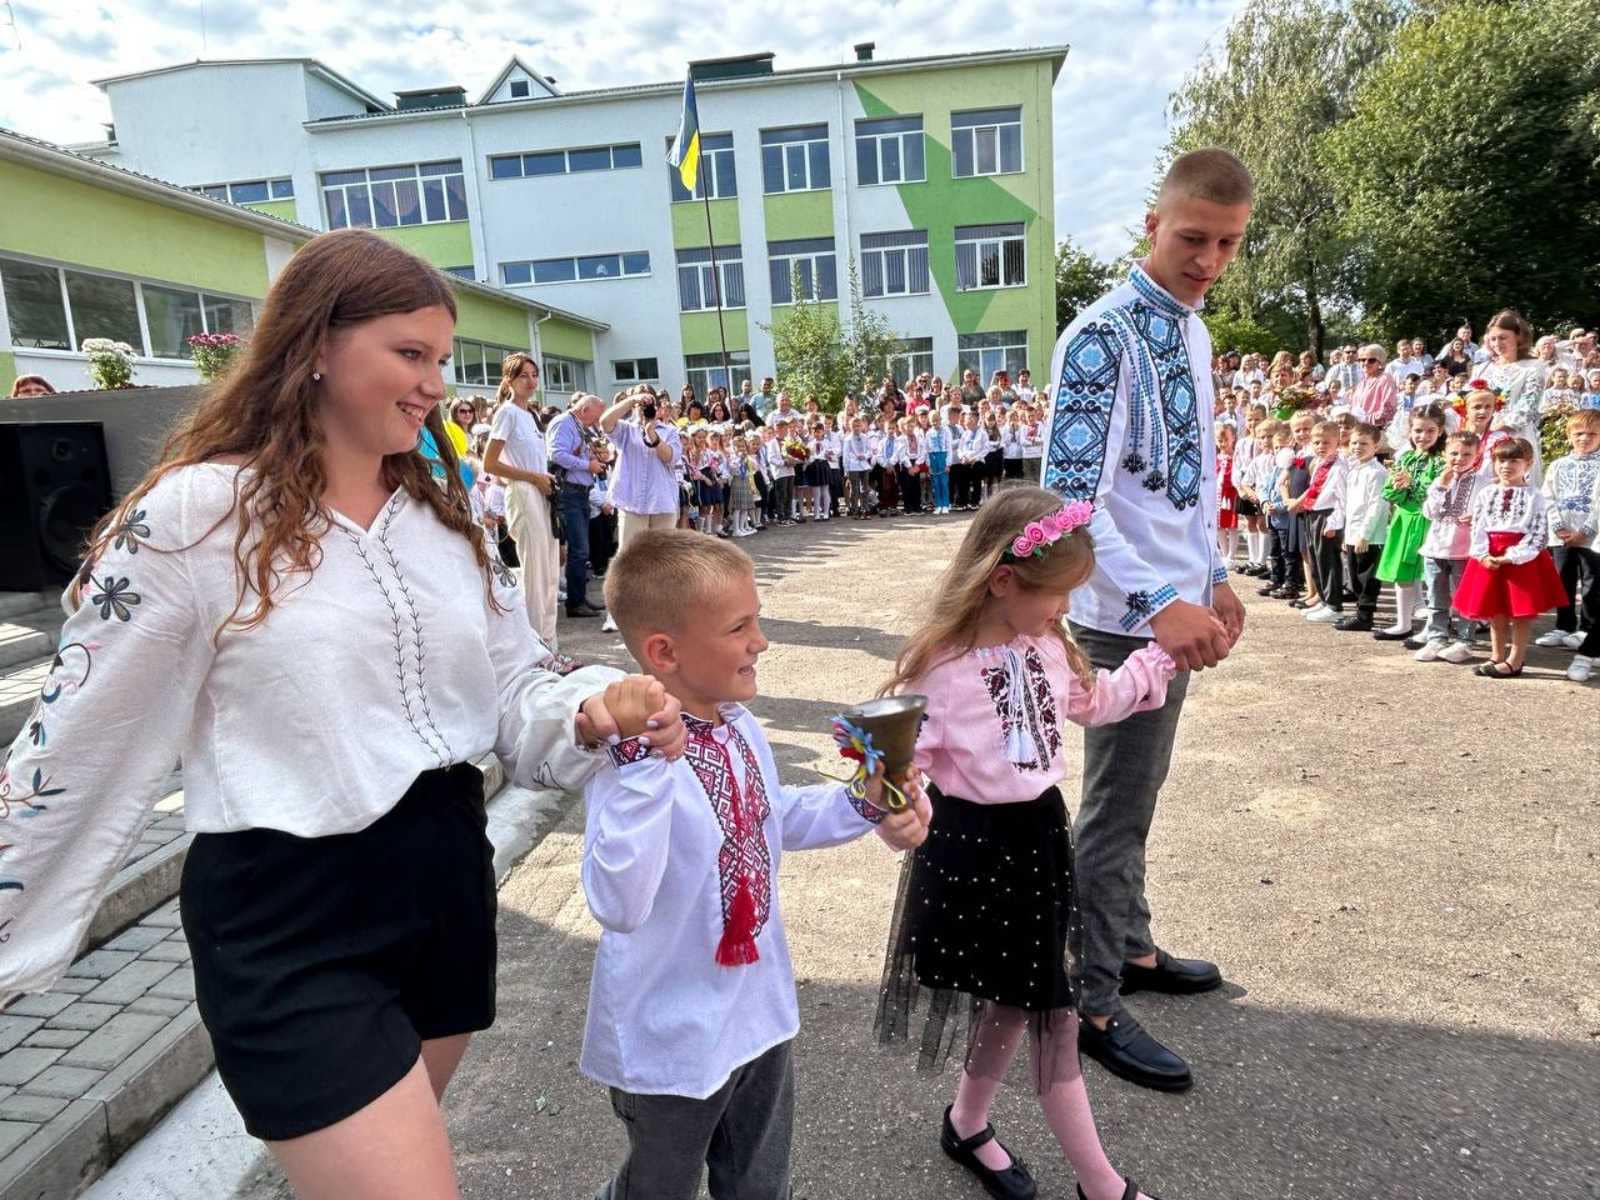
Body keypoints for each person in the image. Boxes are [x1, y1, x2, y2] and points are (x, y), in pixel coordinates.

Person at [0, 228, 685, 1199]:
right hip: (287, 919)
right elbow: (77, 731)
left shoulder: (446, 519)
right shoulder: (195, 516)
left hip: (444, 892)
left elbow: (514, 688)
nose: (434, 385)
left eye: (442, 361)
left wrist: (593, 707)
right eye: (410, 354)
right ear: (316, 345)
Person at [583, 531, 928, 1200]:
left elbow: (772, 816)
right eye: (740, 626)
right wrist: (642, 766)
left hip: (760, 1015)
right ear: (665, 652)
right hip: (671, 1039)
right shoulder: (626, 768)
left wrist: (863, 801)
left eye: (757, 621)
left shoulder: (739, 724)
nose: (761, 641)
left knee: (761, 1185)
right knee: (657, 1189)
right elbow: (617, 902)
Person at [875, 489, 1175, 1200]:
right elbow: (904, 768)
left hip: (1038, 842)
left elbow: (1094, 704)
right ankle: (1102, 1187)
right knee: (1050, 1016)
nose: (1065, 610)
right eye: (1056, 595)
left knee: (1020, 1003)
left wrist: (1157, 661)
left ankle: (967, 1121)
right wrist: (897, 806)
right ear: (1003, 580)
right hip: (974, 856)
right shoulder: (939, 670)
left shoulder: (1043, 644)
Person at [1039, 148, 1249, 1092]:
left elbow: (1189, 485)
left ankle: (1128, 946)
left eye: (1228, 243)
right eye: (1192, 237)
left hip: (1175, 602)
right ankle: (1088, 1000)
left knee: (1138, 796)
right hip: (1124, 616)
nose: (1208, 260)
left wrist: (1214, 574)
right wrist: (1161, 601)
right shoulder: (1100, 335)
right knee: (1115, 809)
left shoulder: (1195, 335)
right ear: (1152, 227)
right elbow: (1069, 502)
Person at [1453, 438, 1568, 677]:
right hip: (1490, 556)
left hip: (1521, 560)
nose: (1507, 466)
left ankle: (1516, 659)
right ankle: (1496, 655)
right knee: (1495, 609)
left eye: (1514, 461)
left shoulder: (1535, 495)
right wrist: (1483, 554)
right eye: (1501, 460)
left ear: (1528, 463)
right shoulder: (1487, 493)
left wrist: (1512, 557)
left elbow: (1538, 533)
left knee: (1520, 611)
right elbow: (1479, 526)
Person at [485, 353, 562, 650]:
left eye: (534, 375)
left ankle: (550, 645)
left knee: (550, 570)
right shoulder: (507, 413)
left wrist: (543, 479)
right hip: (523, 491)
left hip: (542, 492)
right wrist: (533, 477)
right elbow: (490, 463)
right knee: (535, 573)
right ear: (509, 381)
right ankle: (534, 649)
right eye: (523, 376)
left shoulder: (530, 415)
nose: (531, 381)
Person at [1373, 404, 1448, 642]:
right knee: (1402, 573)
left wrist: (1412, 486)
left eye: (1429, 430)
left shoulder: (1442, 461)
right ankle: (1403, 623)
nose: (1423, 436)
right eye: (1418, 430)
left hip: (1428, 521)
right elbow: (1390, 492)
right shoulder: (1405, 457)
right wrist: (1398, 486)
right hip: (1404, 519)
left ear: (1440, 430)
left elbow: (1439, 493)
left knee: (1433, 576)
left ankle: (1434, 626)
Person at [1540, 409, 1600, 680]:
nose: (1584, 439)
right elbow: (1548, 496)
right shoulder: (1558, 465)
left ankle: (1587, 629)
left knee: (1592, 583)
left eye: (1591, 434)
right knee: (1562, 579)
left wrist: (1586, 529)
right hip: (1562, 532)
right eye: (1578, 434)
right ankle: (1564, 624)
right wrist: (1558, 526)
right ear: (1569, 435)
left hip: (1592, 534)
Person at [1415, 431, 1485, 662]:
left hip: (1464, 550)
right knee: (1436, 597)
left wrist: (1476, 516)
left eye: (1467, 454)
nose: (1459, 458)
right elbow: (1429, 512)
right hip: (1436, 548)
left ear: (1477, 454)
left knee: (1465, 597)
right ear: (1445, 453)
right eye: (1454, 453)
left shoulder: (1483, 483)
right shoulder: (1440, 479)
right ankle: (1437, 638)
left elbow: (1488, 512)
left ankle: (1465, 641)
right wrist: (1440, 488)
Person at [548, 394, 608, 618]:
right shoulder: (564, 423)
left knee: (582, 549)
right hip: (569, 492)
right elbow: (556, 454)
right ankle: (575, 603)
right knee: (579, 548)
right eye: (595, 416)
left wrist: (594, 458)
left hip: (581, 492)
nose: (596, 421)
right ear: (584, 410)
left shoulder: (577, 425)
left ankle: (579, 597)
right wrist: (587, 464)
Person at [601, 388, 684, 547]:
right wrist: (633, 399)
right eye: (641, 405)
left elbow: (670, 458)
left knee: (662, 559)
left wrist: (652, 434)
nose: (645, 408)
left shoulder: (670, 431)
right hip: (632, 503)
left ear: (658, 408)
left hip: (662, 503)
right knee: (630, 557)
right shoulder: (625, 429)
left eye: (650, 404)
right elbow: (605, 422)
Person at [1332, 423, 1391, 632]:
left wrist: (1364, 535)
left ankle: (1365, 615)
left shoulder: (1377, 472)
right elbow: (1351, 505)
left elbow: (1377, 505)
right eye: (1354, 442)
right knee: (1355, 575)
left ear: (1376, 446)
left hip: (1370, 535)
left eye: (1364, 443)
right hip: (1353, 532)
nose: (1357, 447)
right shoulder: (1355, 469)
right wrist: (1348, 535)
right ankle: (1359, 611)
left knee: (1367, 577)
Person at [1288, 419, 1347, 623]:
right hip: (1313, 513)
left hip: (1328, 515)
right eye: (1317, 443)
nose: (1321, 447)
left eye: (1326, 443)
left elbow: (1342, 498)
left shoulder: (1339, 467)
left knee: (1328, 561)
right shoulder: (1319, 463)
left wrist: (1334, 523)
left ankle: (1334, 604)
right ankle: (1323, 598)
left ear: (1337, 443)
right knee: (1316, 558)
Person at [1349, 344, 1400, 429]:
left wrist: (1367, 419)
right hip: (1359, 428)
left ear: (1380, 362)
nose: (1366, 363)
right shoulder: (1363, 381)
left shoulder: (1385, 379)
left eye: (1371, 360)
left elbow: (1389, 409)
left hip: (1375, 430)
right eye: (1362, 360)